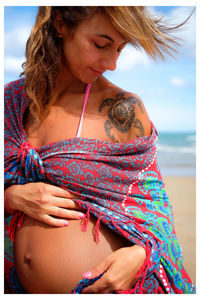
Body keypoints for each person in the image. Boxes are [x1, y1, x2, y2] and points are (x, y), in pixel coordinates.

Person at [4, 6, 195, 294]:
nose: (112, 62)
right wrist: (10, 198)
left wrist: (141, 254)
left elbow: (157, 210)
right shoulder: (11, 104)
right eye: (101, 44)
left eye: (120, 48)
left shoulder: (123, 110)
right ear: (60, 24)